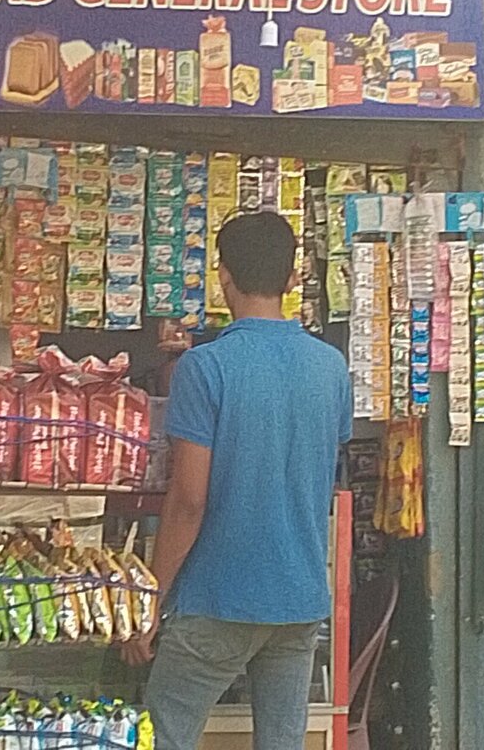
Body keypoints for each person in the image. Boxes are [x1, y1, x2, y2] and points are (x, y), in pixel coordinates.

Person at [122, 210, 352, 750]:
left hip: (220, 598)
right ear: (294, 278)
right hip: (299, 598)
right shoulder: (330, 367)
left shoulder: (205, 368)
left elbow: (187, 503)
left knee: (166, 737)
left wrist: (148, 599)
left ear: (222, 276)